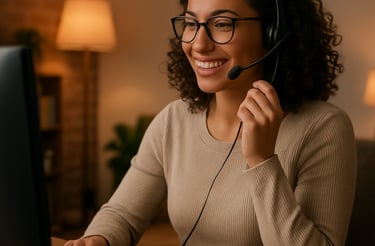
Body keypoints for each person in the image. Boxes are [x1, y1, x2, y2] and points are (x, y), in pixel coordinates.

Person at [65, 0, 357, 245]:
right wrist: (98, 239)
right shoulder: (173, 120)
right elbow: (122, 213)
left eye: (222, 24)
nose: (199, 45)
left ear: (273, 34)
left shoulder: (324, 128)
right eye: (191, 24)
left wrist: (262, 161)